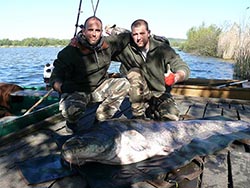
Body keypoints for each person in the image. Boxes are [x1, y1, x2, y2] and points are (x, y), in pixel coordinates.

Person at [50, 16, 130, 133]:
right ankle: (71, 123)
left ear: (101, 32)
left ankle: (100, 120)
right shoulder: (69, 51)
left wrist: (113, 29)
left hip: (98, 88)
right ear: (84, 31)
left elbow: (127, 36)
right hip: (78, 91)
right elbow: (54, 78)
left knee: (124, 83)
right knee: (72, 111)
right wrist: (62, 87)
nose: (94, 34)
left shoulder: (108, 44)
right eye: (90, 30)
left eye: (97, 31)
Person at [106, 19, 190, 121]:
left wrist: (176, 77)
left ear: (149, 33)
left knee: (171, 120)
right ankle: (139, 117)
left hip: (161, 95)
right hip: (140, 96)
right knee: (134, 73)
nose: (138, 38)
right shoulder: (126, 50)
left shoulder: (162, 49)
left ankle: (153, 110)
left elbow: (182, 66)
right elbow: (104, 52)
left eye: (142, 33)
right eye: (135, 34)